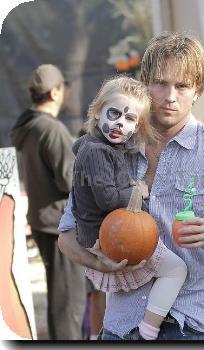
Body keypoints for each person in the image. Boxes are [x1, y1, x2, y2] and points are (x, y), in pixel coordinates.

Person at [58, 31, 204, 341]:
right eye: (160, 83)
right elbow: (66, 234)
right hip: (123, 327)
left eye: (182, 86)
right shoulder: (108, 148)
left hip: (198, 327)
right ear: (144, 84)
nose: (170, 96)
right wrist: (99, 263)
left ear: (197, 90)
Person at [71, 75, 187, 340]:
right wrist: (137, 188)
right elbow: (108, 199)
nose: (120, 124)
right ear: (98, 111)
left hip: (108, 232)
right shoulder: (97, 152)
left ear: (136, 127)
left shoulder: (101, 146)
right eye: (114, 114)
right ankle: (149, 328)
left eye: (130, 119)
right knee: (176, 270)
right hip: (107, 237)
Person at [10, 64, 87, 340]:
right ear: (55, 92)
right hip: (60, 226)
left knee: (60, 299)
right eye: (63, 88)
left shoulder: (28, 127)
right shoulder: (51, 129)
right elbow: (70, 181)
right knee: (69, 304)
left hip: (44, 222)